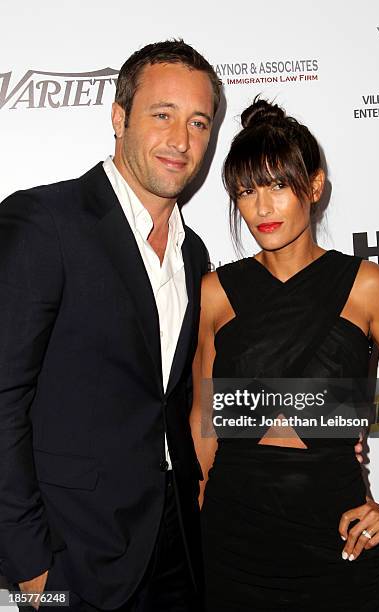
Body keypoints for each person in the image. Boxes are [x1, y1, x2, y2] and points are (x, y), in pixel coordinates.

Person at [190, 99, 379, 611]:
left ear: (314, 186)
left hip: (339, 530)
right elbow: (203, 420)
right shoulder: (216, 292)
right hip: (233, 532)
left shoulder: (364, 286)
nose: (261, 208)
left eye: (278, 186)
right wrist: (194, 521)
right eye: (246, 191)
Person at [0, 40, 222, 611]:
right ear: (119, 117)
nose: (181, 140)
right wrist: (30, 569)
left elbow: (180, 398)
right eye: (162, 115)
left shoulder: (193, 253)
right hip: (73, 557)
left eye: (198, 122)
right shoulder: (45, 222)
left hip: (177, 548)